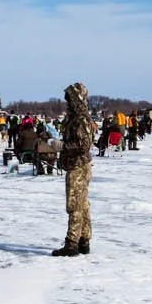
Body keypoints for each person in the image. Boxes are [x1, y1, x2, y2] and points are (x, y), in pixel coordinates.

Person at [54, 83, 96, 257]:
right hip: (78, 165)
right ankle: (84, 240)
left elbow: (83, 145)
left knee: (74, 205)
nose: (67, 103)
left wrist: (62, 146)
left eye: (70, 100)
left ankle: (72, 243)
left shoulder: (80, 119)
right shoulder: (77, 118)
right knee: (83, 204)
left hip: (78, 166)